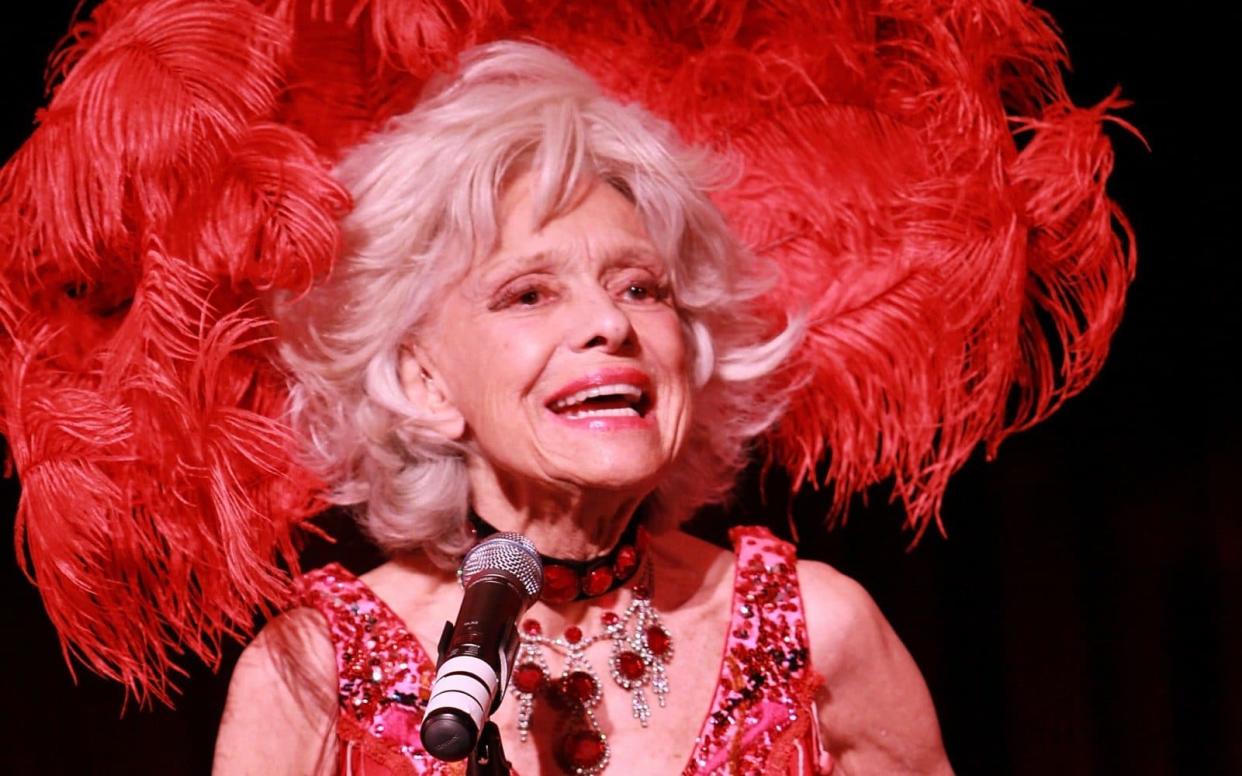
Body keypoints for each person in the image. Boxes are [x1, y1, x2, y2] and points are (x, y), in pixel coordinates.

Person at [212, 42, 953, 775]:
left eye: (640, 287)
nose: (612, 323)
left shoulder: (818, 633)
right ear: (427, 382)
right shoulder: (312, 674)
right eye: (529, 294)